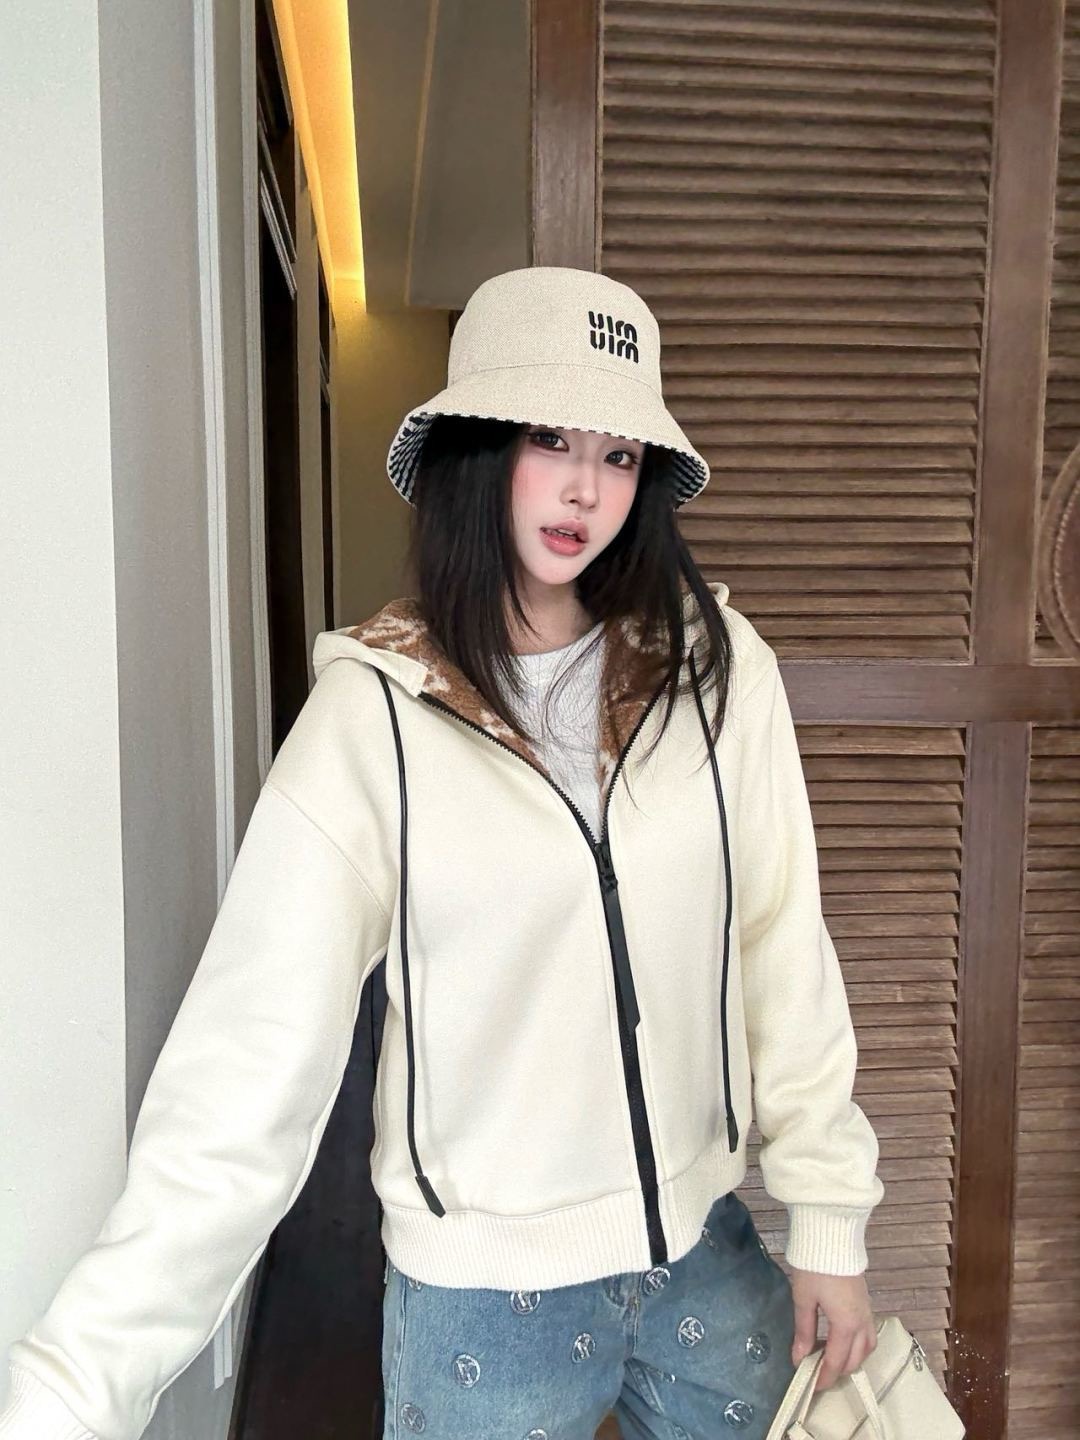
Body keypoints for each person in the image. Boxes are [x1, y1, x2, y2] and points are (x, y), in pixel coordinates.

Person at [0, 266, 884, 1440]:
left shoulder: (718, 671)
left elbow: (778, 941)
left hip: (702, 1260)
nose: (585, 487)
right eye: (549, 438)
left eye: (619, 453)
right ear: (476, 449)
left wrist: (828, 1219)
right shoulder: (372, 719)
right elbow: (246, 1064)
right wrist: (69, 1396)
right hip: (484, 1305)